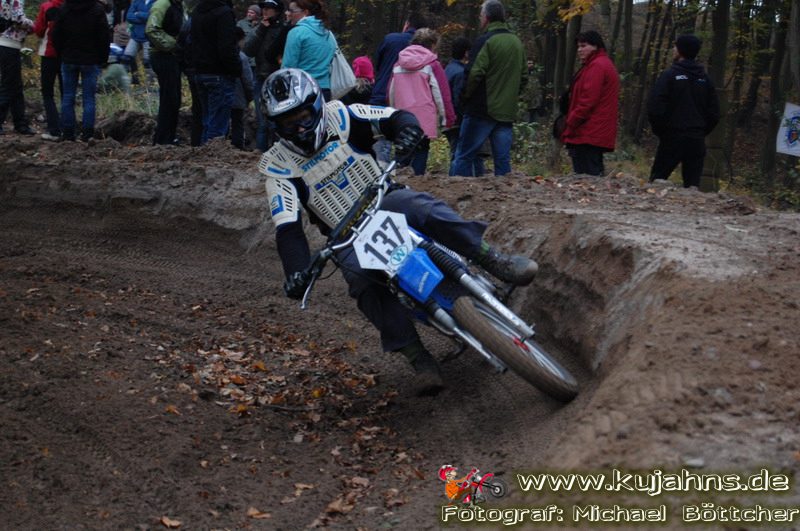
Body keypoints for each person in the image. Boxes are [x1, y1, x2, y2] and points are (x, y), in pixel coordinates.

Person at [259, 68, 539, 395]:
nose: (299, 129)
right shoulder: (278, 167)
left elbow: (393, 118)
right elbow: (288, 227)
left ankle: (494, 259)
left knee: (425, 209)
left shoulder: (343, 116)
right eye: (288, 124)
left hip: (383, 197)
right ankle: (417, 357)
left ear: (317, 107)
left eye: (304, 117)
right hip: (346, 236)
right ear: (276, 126)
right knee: (362, 284)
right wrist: (296, 272)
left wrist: (407, 132)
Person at [449, 0, 526, 177]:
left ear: (486, 17)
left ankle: (458, 192)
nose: (480, 18)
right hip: (506, 112)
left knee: (464, 155)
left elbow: (474, 74)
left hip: (481, 110)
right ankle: (504, 193)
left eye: (481, 15)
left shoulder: (485, 41)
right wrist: (510, 96)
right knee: (502, 161)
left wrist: (464, 98)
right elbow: (523, 77)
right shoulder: (516, 42)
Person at [648, 34, 720, 189]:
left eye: (675, 46)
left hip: (672, 137)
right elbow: (714, 113)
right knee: (692, 187)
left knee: (656, 183)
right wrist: (700, 130)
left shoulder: (669, 76)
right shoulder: (706, 80)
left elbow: (655, 106)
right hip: (696, 139)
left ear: (680, 51)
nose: (673, 49)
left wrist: (661, 131)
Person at [388, 28, 455, 175]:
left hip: (403, 118)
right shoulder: (432, 65)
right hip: (424, 119)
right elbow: (441, 94)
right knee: (421, 150)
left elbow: (391, 92)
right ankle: (417, 181)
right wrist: (447, 118)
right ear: (432, 44)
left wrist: (393, 114)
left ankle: (394, 181)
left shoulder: (398, 64)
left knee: (402, 152)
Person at [368, 11, 426, 164]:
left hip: (381, 96)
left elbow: (378, 66)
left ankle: (380, 171)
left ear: (406, 24)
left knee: (381, 141)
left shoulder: (390, 40)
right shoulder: (424, 49)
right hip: (410, 102)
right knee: (408, 142)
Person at [559, 30, 619, 176]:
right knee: (589, 176)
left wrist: (571, 122)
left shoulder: (597, 66)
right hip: (591, 130)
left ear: (596, 46)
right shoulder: (597, 64)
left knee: (587, 177)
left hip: (589, 131)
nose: (579, 50)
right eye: (578, 46)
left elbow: (587, 101)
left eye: (583, 46)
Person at [51, 0, 110, 142]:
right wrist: (102, 58)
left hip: (69, 58)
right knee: (89, 98)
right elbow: (104, 36)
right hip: (90, 60)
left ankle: (68, 132)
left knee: (68, 97)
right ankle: (87, 133)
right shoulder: (97, 9)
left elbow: (56, 34)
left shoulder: (64, 8)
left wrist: (61, 53)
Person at [190, 0, 240, 144]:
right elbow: (227, 47)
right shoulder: (224, 13)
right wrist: (236, 69)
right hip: (220, 73)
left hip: (200, 72)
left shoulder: (197, 11)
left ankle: (205, 152)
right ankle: (212, 153)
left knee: (207, 122)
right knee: (217, 127)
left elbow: (191, 41)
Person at [243, 0, 286, 151]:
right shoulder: (259, 28)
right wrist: (261, 29)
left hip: (279, 79)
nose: (265, 11)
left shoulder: (284, 29)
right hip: (260, 77)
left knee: (277, 121)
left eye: (269, 8)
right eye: (264, 8)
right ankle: (259, 154)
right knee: (262, 122)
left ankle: (279, 152)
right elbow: (247, 50)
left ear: (277, 11)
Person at [145, 0, 184, 145]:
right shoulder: (162, 4)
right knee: (170, 99)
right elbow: (151, 29)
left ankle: (167, 137)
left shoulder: (177, 5)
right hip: (162, 55)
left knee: (173, 99)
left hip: (170, 55)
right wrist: (173, 45)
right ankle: (163, 140)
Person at [280, 0, 335, 99]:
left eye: (291, 11)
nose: (287, 13)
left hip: (302, 91)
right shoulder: (328, 33)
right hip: (325, 90)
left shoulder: (296, 32)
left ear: (305, 12)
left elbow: (288, 68)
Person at [0, 0, 35, 136]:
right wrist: (33, 25)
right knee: (9, 86)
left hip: (7, 43)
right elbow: (18, 19)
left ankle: (20, 123)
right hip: (9, 43)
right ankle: (18, 123)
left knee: (16, 87)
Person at [32, 0, 64, 141]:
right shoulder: (70, 5)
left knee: (47, 93)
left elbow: (39, 30)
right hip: (67, 55)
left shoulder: (47, 6)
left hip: (49, 53)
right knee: (66, 93)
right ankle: (68, 129)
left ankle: (54, 130)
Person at [443, 36, 470, 163]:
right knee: (458, 152)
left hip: (447, 117)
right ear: (466, 53)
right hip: (457, 119)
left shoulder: (448, 68)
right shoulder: (461, 72)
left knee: (454, 150)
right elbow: (458, 98)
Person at [230, 26, 254, 149]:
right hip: (238, 97)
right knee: (238, 124)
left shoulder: (221, 54)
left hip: (224, 97)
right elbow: (247, 80)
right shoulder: (241, 57)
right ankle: (238, 147)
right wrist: (250, 96)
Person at [123, 0, 154, 80]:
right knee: (126, 58)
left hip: (148, 36)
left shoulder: (155, 2)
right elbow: (129, 16)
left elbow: (152, 17)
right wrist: (144, 18)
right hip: (135, 35)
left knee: (148, 62)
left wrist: (138, 13)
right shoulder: (137, 1)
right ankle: (132, 79)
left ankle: (151, 83)